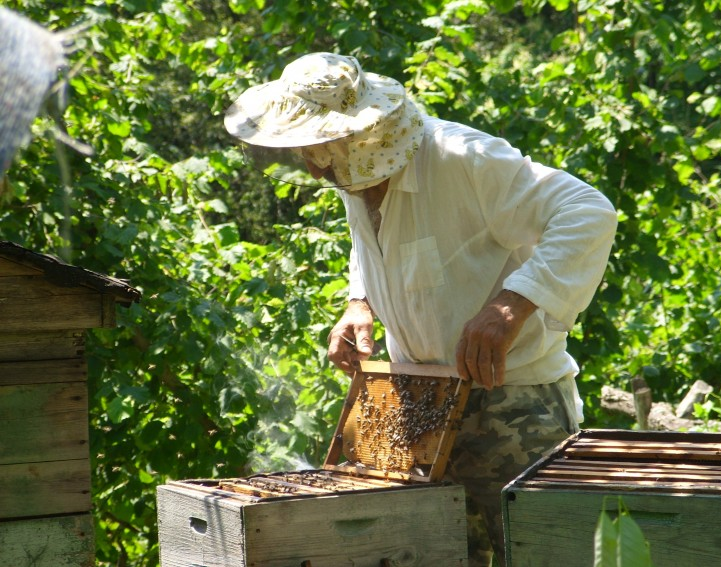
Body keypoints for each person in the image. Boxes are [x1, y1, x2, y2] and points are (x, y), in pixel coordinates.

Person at [225, 52, 617, 566]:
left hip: (515, 405)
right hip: (419, 410)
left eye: (315, 148)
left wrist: (511, 304)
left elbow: (588, 211)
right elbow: (377, 247)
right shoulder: (356, 169)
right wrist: (358, 301)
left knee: (546, 558)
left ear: (356, 135)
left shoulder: (464, 157)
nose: (309, 163)